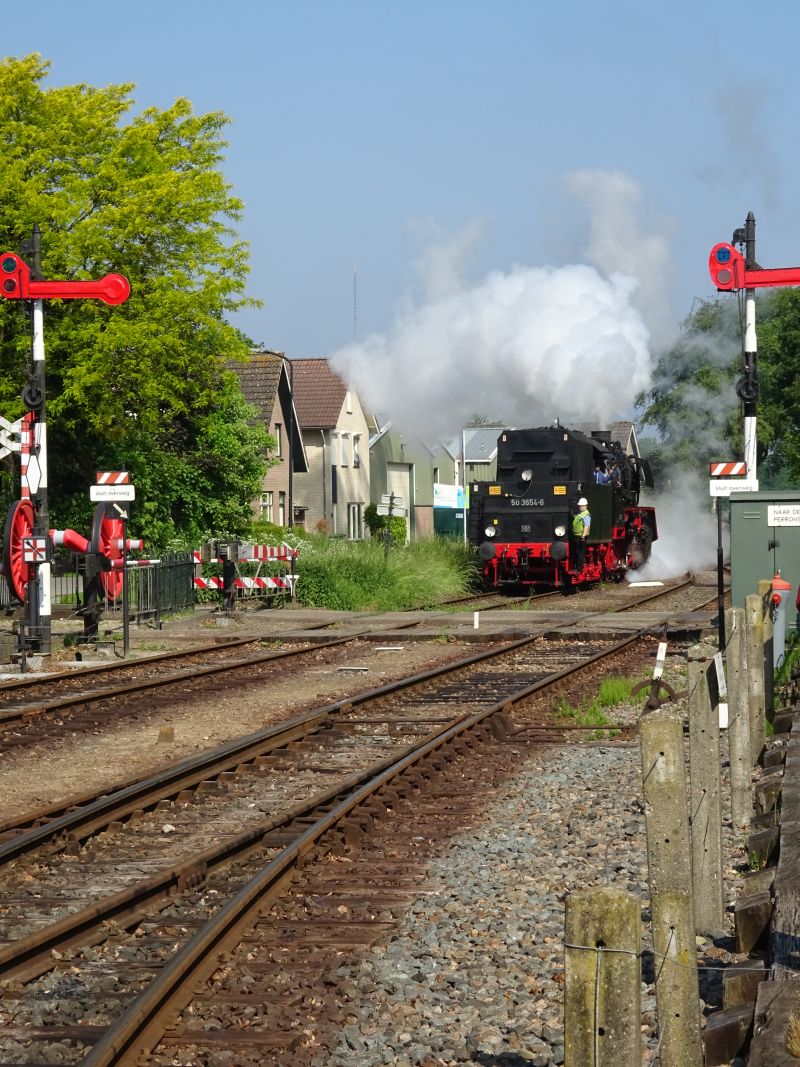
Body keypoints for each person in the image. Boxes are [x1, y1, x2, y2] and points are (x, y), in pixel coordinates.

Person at [571, 497, 591, 574]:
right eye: (580, 506)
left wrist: (583, 536)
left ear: (586, 506)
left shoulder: (586, 515)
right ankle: (576, 567)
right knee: (576, 552)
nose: (581, 507)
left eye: (582, 506)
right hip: (576, 536)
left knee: (580, 553)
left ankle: (579, 569)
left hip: (581, 537)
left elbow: (586, 526)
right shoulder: (580, 514)